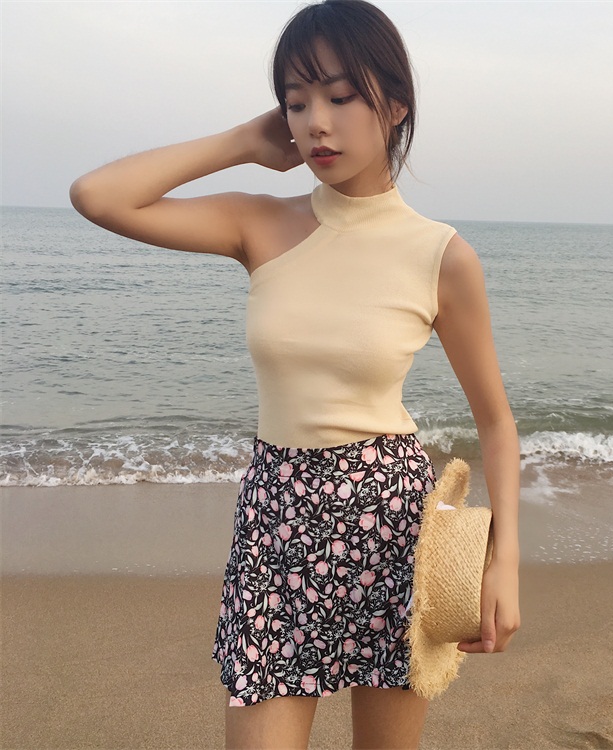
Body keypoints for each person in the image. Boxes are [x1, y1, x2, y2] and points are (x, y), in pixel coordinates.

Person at [69, 0, 521, 747]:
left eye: (340, 97)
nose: (317, 123)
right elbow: (98, 196)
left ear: (395, 105)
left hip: (391, 526)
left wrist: (504, 564)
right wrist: (243, 142)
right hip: (276, 519)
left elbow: (497, 422)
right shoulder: (259, 224)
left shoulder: (441, 256)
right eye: (297, 102)